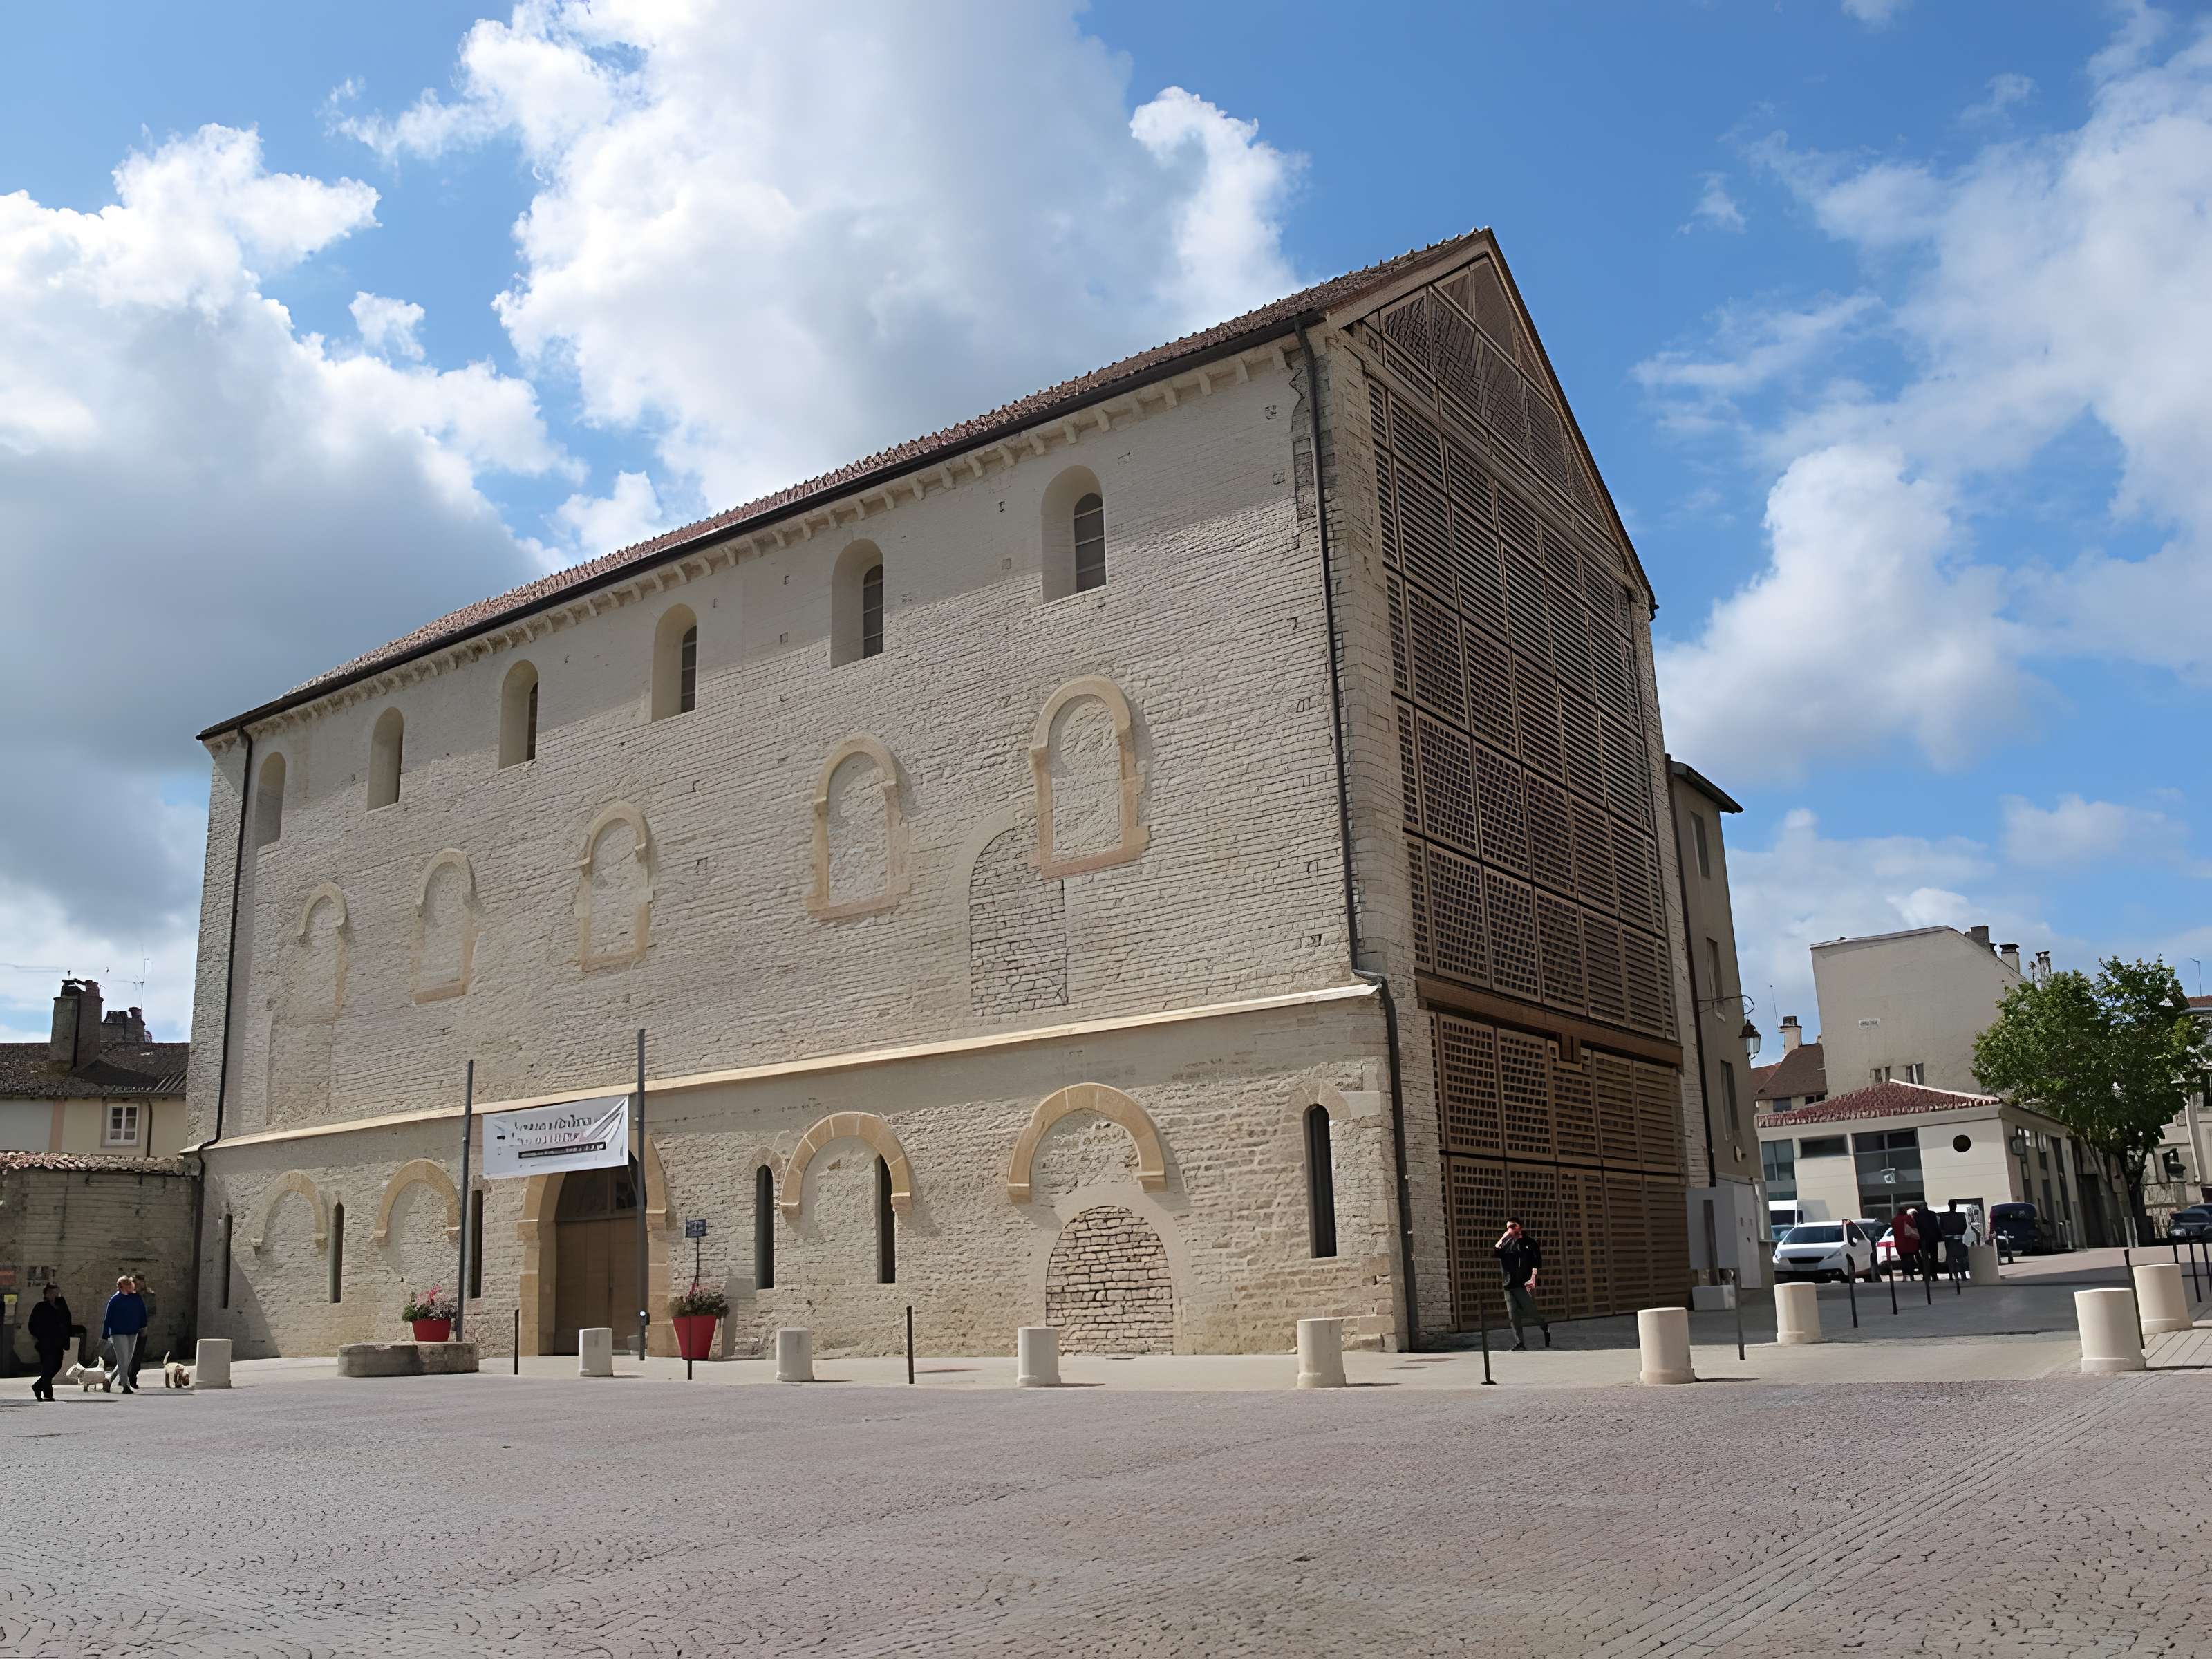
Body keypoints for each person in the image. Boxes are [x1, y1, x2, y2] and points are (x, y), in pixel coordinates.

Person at [1493, 1218, 1553, 1350]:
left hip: (1523, 1283)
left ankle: (1544, 1326)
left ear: (1519, 1227)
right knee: (1513, 1315)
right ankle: (1520, 1344)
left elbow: (1536, 1263)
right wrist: (1503, 1238)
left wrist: (1532, 1278)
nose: (1510, 1229)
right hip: (1508, 1283)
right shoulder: (1506, 1243)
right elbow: (1496, 1252)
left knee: (1531, 1311)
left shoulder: (1530, 1243)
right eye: (1508, 1227)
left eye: (1513, 1226)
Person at [101, 1275, 147, 1394]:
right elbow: (108, 1318)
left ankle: (109, 1380)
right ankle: (125, 1385)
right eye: (127, 1283)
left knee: (126, 1360)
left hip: (133, 1331)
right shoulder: (115, 1300)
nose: (131, 1285)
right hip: (118, 1333)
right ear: (122, 1286)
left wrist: (143, 1326)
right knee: (123, 1359)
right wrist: (105, 1335)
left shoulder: (136, 1298)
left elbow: (142, 1312)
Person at [28, 1284, 72, 1401]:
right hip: (46, 1342)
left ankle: (38, 1386)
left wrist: (67, 1337)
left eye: (56, 1293)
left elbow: (67, 1320)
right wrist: (40, 1336)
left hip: (59, 1342)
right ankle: (47, 1394)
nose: (54, 1295)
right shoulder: (41, 1307)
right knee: (48, 1367)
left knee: (57, 1366)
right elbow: (32, 1325)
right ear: (46, 1294)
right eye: (51, 1293)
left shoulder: (61, 1306)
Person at [127, 1279, 156, 1387]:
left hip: (141, 1330)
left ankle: (132, 1378)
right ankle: (126, 1378)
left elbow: (152, 1311)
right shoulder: (127, 1296)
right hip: (129, 1330)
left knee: (138, 1356)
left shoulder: (148, 1296)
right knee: (128, 1356)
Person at [1888, 1206, 1920, 1281]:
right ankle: (1912, 1276)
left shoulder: (1894, 1220)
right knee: (1910, 1260)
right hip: (1909, 1243)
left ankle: (1905, 1276)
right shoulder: (1908, 1218)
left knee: (1903, 1261)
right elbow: (1914, 1226)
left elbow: (1894, 1231)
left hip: (1900, 1244)